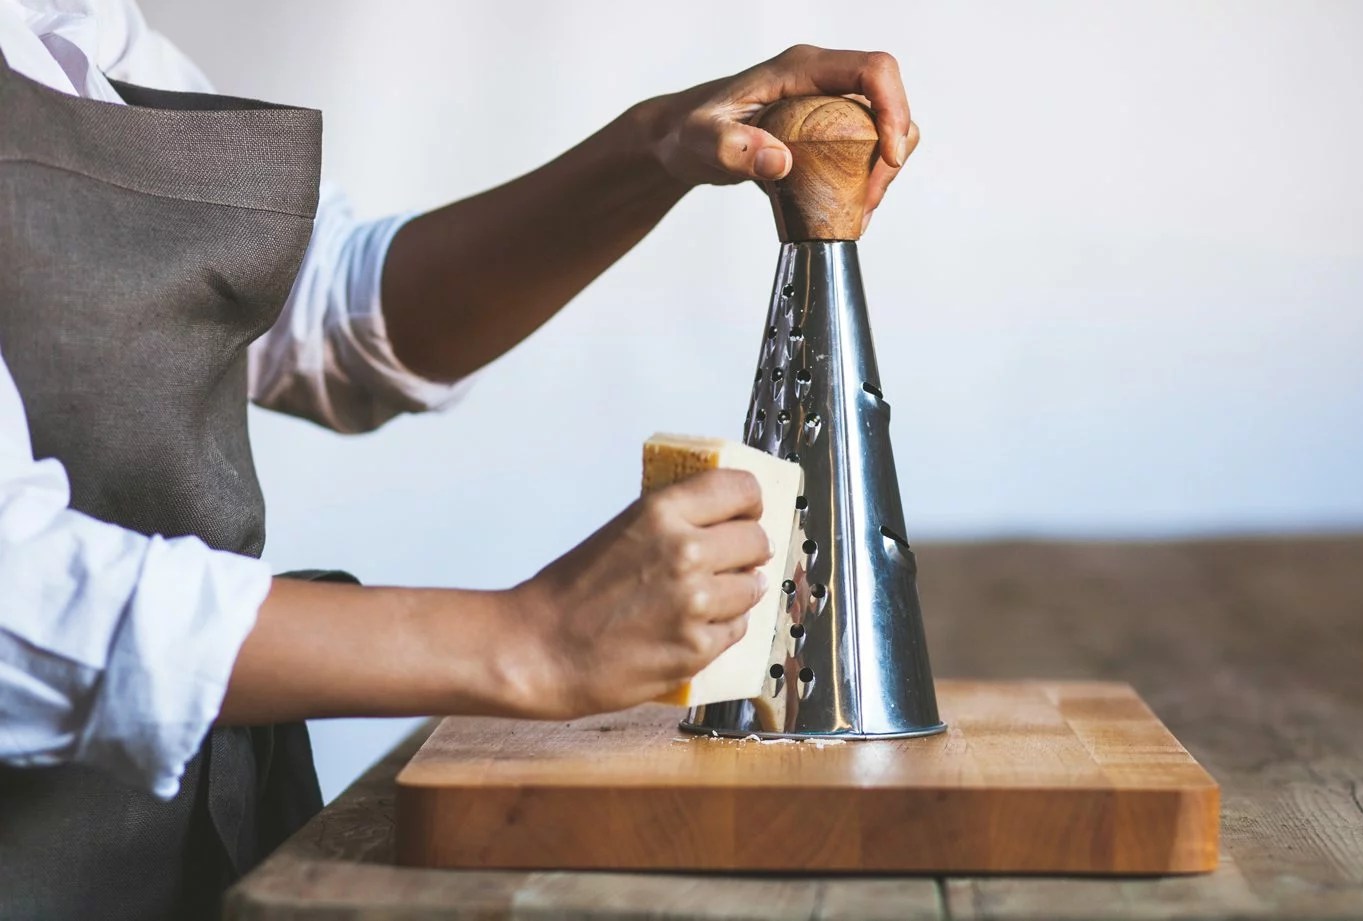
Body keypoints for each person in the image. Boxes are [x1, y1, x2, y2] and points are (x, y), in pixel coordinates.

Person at [0, 1, 919, 916]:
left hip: (187, 843)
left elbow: (326, 312)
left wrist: (655, 150)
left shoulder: (66, 17)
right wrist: (532, 639)